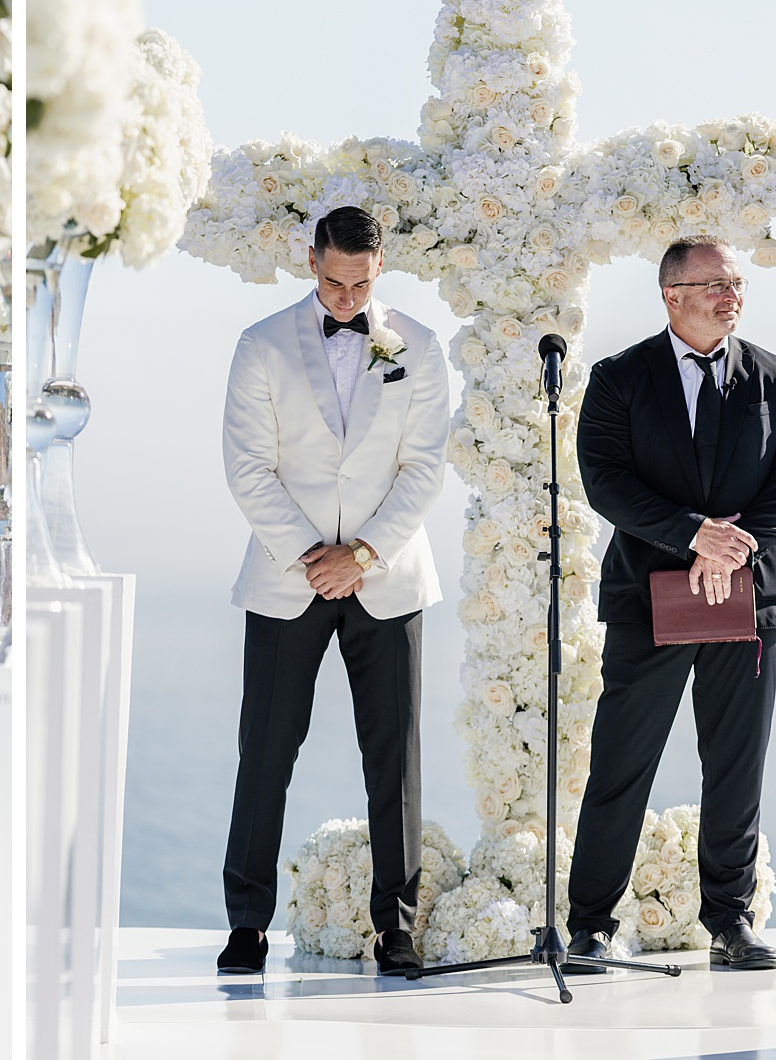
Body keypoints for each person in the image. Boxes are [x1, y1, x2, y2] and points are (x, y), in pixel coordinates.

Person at [565, 236, 776, 973]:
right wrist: (691, 534)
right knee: (622, 760)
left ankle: (731, 920)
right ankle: (590, 925)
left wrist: (734, 545)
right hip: (648, 599)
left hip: (750, 598)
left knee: (736, 765)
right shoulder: (618, 377)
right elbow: (604, 479)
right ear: (671, 296)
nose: (730, 295)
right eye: (714, 284)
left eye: (736, 284)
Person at [216, 206, 450, 976]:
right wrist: (314, 556)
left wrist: (365, 554)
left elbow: (425, 468)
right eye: (334, 282)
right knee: (265, 754)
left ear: (380, 266)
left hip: (389, 579)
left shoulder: (419, 345)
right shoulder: (260, 345)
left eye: (360, 284)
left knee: (395, 759)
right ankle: (247, 924)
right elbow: (248, 466)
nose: (347, 297)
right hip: (290, 579)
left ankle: (396, 928)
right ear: (311, 260)